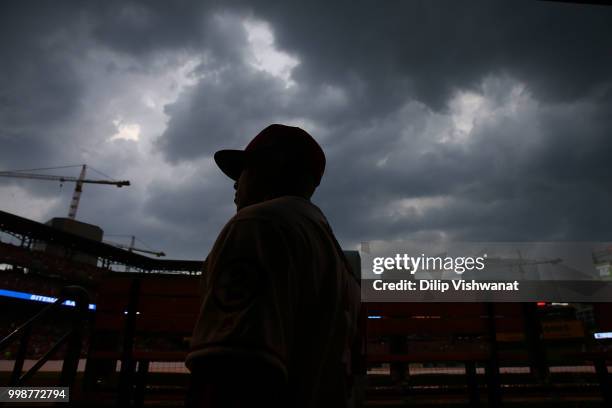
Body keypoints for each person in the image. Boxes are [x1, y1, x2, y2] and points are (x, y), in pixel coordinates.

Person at [185, 124, 362, 407]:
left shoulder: (258, 224)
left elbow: (230, 369)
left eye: (242, 171)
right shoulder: (335, 254)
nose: (235, 183)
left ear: (270, 169)